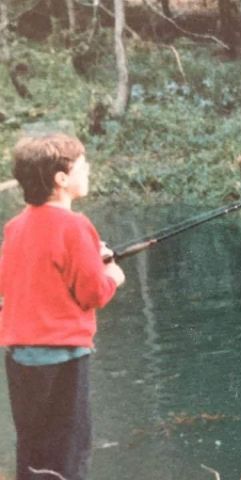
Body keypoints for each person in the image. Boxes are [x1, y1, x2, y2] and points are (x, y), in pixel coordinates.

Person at [0, 133, 125, 480]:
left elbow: (11, 281)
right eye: (83, 165)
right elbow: (93, 294)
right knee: (69, 454)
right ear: (61, 178)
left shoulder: (15, 227)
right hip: (63, 360)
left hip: (20, 360)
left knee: (33, 451)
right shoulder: (75, 225)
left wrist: (88, 257)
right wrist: (113, 274)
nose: (88, 170)